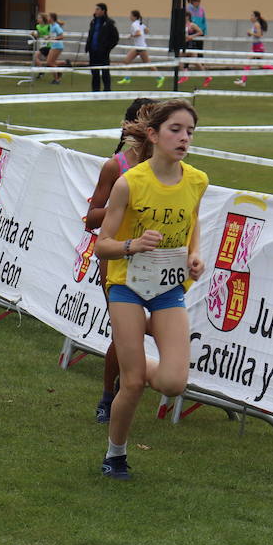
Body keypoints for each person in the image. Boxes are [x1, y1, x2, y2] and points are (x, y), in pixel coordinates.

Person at [94, 99, 208, 480]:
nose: (184, 138)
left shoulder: (197, 180)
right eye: (176, 129)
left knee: (175, 383)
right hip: (126, 285)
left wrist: (195, 255)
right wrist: (132, 245)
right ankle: (116, 453)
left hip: (168, 287)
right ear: (154, 135)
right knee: (132, 384)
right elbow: (101, 244)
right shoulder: (130, 182)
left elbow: (192, 223)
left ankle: (140, 368)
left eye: (189, 131)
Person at [84, 97, 155, 423]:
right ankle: (109, 395)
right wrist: (122, 206)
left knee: (148, 329)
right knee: (125, 333)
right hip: (117, 257)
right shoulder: (117, 167)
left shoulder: (177, 170)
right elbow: (91, 219)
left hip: (158, 260)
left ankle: (150, 378)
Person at [234, 11, 273, 86]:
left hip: (258, 47)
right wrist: (250, 34)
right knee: (259, 65)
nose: (250, 17)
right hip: (255, 46)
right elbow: (257, 34)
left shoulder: (256, 24)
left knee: (251, 63)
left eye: (252, 15)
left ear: (256, 17)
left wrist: (251, 33)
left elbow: (259, 35)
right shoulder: (255, 24)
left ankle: (243, 81)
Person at [85, 2, 120, 93]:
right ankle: (95, 90)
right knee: (94, 72)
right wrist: (88, 46)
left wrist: (107, 48)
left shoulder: (109, 23)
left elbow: (115, 38)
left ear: (103, 11)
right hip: (93, 51)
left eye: (98, 9)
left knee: (105, 71)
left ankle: (107, 89)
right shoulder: (93, 22)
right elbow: (91, 35)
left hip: (103, 52)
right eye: (95, 9)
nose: (95, 11)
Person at [117, 10, 150, 83]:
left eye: (130, 15)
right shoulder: (139, 23)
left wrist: (131, 36)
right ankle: (127, 78)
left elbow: (138, 33)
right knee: (126, 61)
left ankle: (160, 77)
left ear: (134, 17)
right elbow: (147, 30)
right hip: (137, 47)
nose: (129, 17)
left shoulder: (135, 24)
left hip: (141, 47)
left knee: (147, 64)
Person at [46, 12, 66, 84]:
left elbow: (62, 36)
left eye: (48, 17)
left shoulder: (56, 26)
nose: (47, 18)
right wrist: (48, 37)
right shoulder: (51, 25)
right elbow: (53, 35)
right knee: (50, 62)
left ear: (51, 18)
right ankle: (64, 65)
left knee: (50, 62)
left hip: (58, 46)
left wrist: (54, 39)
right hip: (54, 45)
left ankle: (57, 79)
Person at [31, 12, 51, 76]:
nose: (38, 19)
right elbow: (38, 35)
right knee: (50, 62)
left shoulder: (48, 26)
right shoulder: (37, 26)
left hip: (49, 45)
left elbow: (52, 34)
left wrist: (48, 36)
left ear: (43, 19)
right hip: (42, 45)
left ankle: (41, 71)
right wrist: (33, 34)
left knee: (50, 62)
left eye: (39, 18)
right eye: (38, 18)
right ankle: (41, 71)